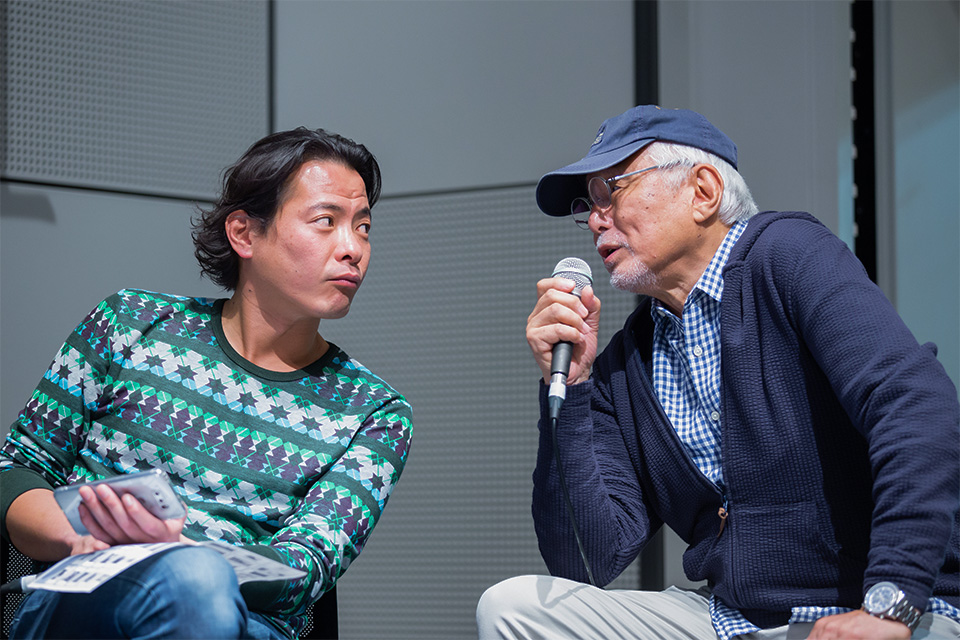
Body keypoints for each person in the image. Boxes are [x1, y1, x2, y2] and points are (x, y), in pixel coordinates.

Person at [477, 105, 959, 640]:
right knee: (512, 606)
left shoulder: (790, 256)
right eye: (586, 204)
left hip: (885, 605)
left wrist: (891, 602)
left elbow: (917, 408)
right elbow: (586, 562)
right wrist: (567, 386)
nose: (595, 218)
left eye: (611, 190)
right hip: (731, 621)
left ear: (703, 191)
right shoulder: (621, 364)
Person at [0, 127, 413, 639]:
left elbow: (307, 565)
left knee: (195, 581)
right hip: (88, 598)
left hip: (244, 622)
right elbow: (17, 468)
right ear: (244, 234)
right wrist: (81, 537)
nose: (354, 248)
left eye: (364, 227)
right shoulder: (128, 323)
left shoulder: (373, 412)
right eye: (326, 222)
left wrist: (179, 555)